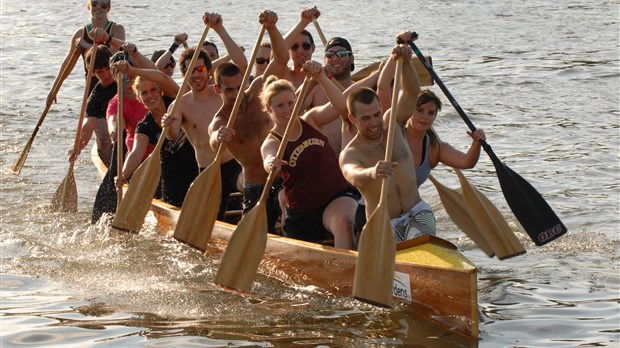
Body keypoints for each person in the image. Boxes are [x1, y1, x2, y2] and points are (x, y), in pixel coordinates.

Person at [340, 40, 437, 244]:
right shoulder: (351, 153)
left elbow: (411, 92)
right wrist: (372, 172)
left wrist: (407, 61)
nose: (374, 123)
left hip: (417, 213)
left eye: (376, 114)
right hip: (384, 225)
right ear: (352, 119)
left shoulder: (393, 122)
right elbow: (353, 175)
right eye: (365, 119)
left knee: (418, 239)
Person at [261, 61, 358, 249]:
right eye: (280, 105)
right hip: (302, 209)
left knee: (344, 222)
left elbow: (342, 108)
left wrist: (320, 77)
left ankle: (348, 274)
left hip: (335, 196)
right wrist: (271, 163)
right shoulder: (272, 142)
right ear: (268, 108)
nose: (287, 110)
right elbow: (268, 158)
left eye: (291, 103)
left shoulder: (312, 119)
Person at [209, 9, 289, 232]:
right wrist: (219, 136)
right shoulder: (220, 120)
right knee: (253, 234)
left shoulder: (257, 91)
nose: (236, 95)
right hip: (255, 186)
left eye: (238, 87)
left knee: (291, 225)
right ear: (218, 89)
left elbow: (282, 58)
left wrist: (272, 29)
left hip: (284, 178)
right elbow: (214, 139)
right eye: (228, 90)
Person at [162, 12, 247, 219]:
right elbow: (173, 135)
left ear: (209, 71)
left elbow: (242, 65)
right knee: (211, 219)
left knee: (253, 184)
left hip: (234, 165)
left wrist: (219, 28)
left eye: (200, 69)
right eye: (191, 70)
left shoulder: (221, 93)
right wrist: (167, 125)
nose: (196, 74)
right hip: (207, 170)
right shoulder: (180, 104)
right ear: (184, 73)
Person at [376, 54, 486, 187]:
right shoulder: (394, 130)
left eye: (431, 113)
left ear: (435, 117)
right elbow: (383, 88)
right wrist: (396, 56)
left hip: (409, 203)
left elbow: (467, 162)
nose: (425, 116)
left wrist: (476, 144)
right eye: (420, 110)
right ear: (409, 111)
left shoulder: (435, 148)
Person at [113, 59, 198, 207]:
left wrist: (131, 70)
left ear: (160, 91)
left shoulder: (174, 100)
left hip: (197, 167)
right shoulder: (145, 126)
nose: (150, 95)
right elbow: (136, 154)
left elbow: (163, 77)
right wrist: (123, 174)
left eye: (153, 90)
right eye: (144, 93)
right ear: (140, 98)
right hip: (172, 179)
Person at [47, 0, 125, 106]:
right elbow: (68, 64)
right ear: (89, 6)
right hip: (91, 86)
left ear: (108, 8)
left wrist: (85, 45)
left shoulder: (117, 29)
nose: (98, 7)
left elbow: (111, 55)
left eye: (103, 5)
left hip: (114, 85)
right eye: (94, 4)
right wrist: (54, 89)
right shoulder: (80, 34)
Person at [68, 45, 115, 166]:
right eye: (100, 72)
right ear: (93, 73)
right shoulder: (95, 97)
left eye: (108, 69)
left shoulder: (126, 80)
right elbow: (88, 124)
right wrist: (77, 148)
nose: (106, 75)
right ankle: (112, 169)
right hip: (112, 137)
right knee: (104, 139)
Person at [283, 6, 320, 88]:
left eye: (305, 46)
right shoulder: (283, 73)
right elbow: (278, 51)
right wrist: (303, 22)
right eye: (294, 46)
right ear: (289, 50)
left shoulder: (321, 75)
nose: (300, 51)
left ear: (313, 48)